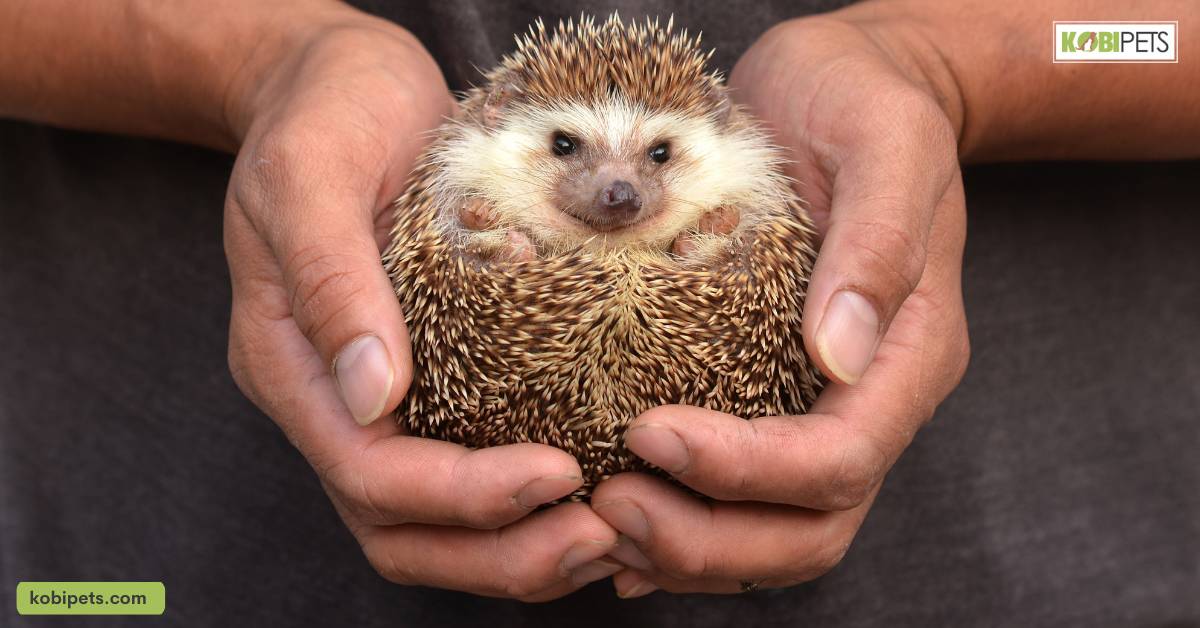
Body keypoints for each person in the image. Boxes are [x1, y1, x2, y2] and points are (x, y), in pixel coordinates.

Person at [1, 0, 1196, 611]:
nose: (618, 188)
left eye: (660, 159)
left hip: (1046, 565)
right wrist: (264, 58)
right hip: (148, 564)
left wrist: (956, 64)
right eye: (568, 147)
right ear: (499, 133)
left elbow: (1151, 30)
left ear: (720, 149)